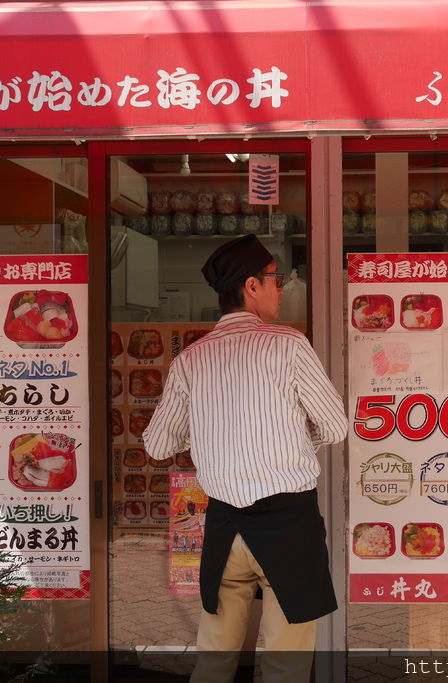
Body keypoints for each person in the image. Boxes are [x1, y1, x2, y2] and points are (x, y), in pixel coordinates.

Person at [143, 234, 347, 683]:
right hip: (289, 523)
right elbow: (335, 427)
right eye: (277, 279)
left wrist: (205, 436)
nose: (282, 288)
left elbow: (157, 446)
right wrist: (293, 441)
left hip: (224, 526)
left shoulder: (190, 360)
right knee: (286, 664)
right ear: (252, 286)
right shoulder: (288, 344)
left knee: (214, 659)